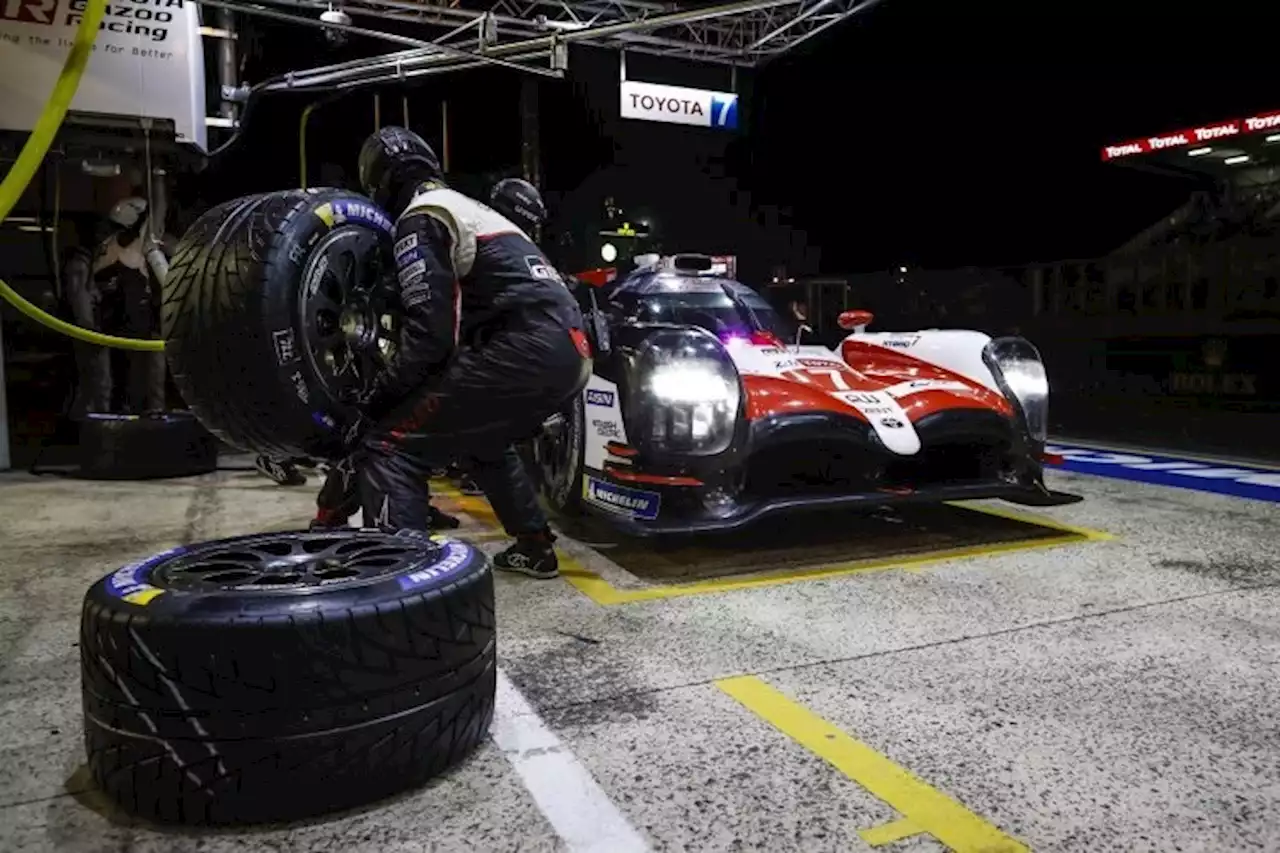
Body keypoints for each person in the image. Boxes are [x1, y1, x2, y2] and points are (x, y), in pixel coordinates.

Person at [316, 126, 591, 579]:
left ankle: (399, 583)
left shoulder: (423, 216)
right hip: (570, 353)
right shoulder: (472, 209)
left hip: (522, 346)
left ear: (380, 181)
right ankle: (535, 547)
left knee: (386, 445)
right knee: (486, 442)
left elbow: (431, 339)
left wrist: (377, 400)